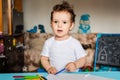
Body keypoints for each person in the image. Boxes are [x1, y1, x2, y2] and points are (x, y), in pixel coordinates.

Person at [40, 1, 86, 74]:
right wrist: (49, 67)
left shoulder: (75, 43)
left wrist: (75, 65)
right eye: (55, 22)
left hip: (72, 76)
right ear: (51, 24)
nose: (59, 25)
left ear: (71, 26)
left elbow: (83, 59)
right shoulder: (48, 42)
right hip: (55, 76)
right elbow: (44, 59)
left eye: (64, 22)